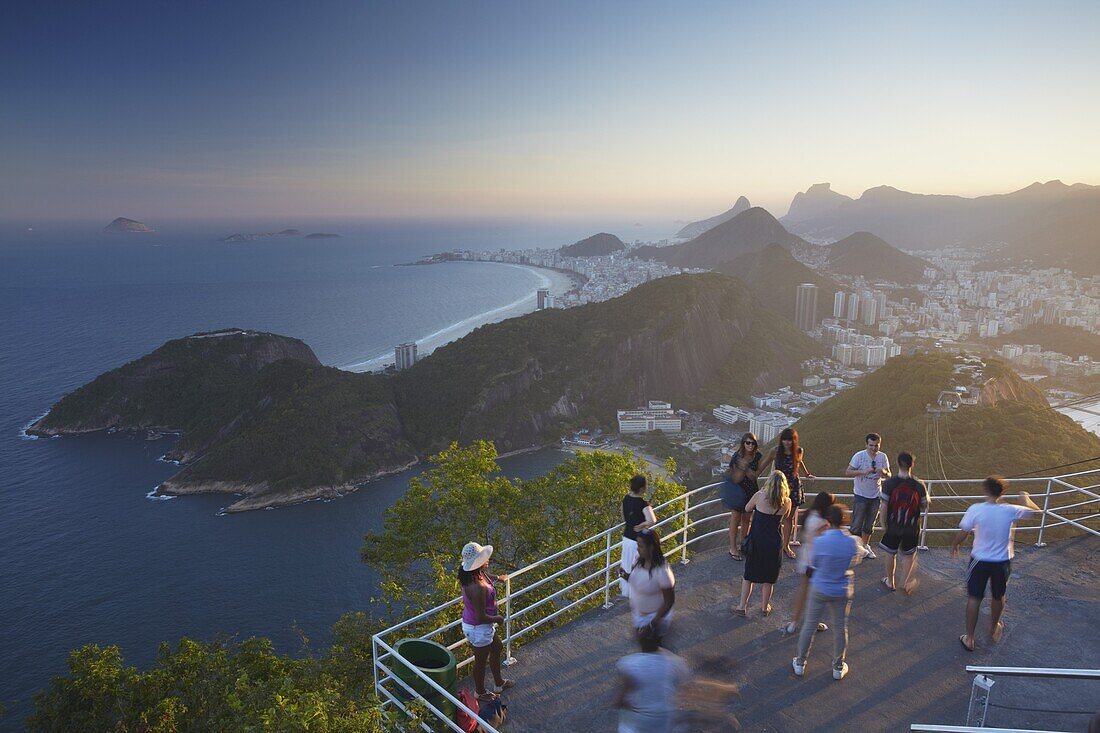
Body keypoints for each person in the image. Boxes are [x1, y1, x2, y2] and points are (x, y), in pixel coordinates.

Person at [950, 476, 1040, 652]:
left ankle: (969, 638)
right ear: (1003, 493)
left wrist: (955, 545)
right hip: (1002, 561)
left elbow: (964, 532)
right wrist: (1025, 497)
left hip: (979, 560)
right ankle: (994, 627)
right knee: (998, 595)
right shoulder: (1010, 510)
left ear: (985, 490)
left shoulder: (976, 509)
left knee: (974, 598)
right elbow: (1034, 511)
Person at [792, 504, 862, 681]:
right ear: (845, 520)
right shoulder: (853, 541)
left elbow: (814, 563)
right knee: (840, 628)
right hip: (842, 588)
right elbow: (855, 560)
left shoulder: (820, 541)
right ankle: (838, 667)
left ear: (828, 521)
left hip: (820, 587)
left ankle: (800, 663)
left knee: (809, 625)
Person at [459, 541, 514, 701]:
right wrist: (498, 618)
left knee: (497, 647)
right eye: (484, 558)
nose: (487, 560)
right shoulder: (478, 589)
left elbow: (484, 576)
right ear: (477, 563)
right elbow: (480, 616)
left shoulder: (470, 574)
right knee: (480, 662)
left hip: (478, 626)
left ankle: (498, 683)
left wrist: (498, 578)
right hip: (479, 627)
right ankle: (480, 692)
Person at [733, 470, 790, 617]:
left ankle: (742, 606)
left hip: (757, 540)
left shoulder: (760, 496)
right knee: (769, 578)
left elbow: (746, 508)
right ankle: (765, 607)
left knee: (749, 575)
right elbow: (787, 516)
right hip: (774, 541)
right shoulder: (787, 502)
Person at [614, 626, 690, 733]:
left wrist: (624, 705)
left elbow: (620, 700)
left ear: (639, 641)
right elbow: (682, 692)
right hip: (668, 717)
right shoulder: (676, 662)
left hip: (642, 720)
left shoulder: (629, 664)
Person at [781, 491, 835, 635]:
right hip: (818, 562)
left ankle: (794, 622)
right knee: (816, 595)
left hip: (806, 559)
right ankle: (814, 622)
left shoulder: (809, 515)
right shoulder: (823, 523)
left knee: (802, 592)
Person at [759, 428, 816, 559]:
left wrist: (806, 474)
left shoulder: (798, 451)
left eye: (790, 440)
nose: (787, 442)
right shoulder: (775, 451)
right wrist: (755, 475)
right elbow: (765, 464)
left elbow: (799, 462)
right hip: (778, 488)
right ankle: (771, 544)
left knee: (788, 518)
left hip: (794, 487)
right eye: (785, 439)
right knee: (773, 517)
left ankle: (786, 545)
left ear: (794, 440)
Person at [877, 451, 929, 593]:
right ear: (912, 464)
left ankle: (890, 581)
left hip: (893, 525)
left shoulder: (889, 483)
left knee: (890, 553)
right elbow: (924, 505)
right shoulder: (919, 485)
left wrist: (883, 524)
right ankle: (905, 582)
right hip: (912, 527)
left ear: (898, 464)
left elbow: (884, 505)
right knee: (909, 555)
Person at [623, 528, 676, 643]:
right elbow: (637, 580)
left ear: (651, 547)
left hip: (655, 620)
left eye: (641, 546)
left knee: (652, 648)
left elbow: (669, 601)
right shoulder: (638, 559)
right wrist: (625, 576)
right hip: (639, 615)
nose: (637, 548)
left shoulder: (662, 571)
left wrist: (652, 624)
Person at [845, 433, 891, 559]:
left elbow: (889, 475)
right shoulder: (859, 456)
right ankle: (854, 548)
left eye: (876, 445)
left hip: (876, 495)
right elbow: (848, 472)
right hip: (861, 494)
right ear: (866, 444)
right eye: (871, 445)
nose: (874, 448)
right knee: (856, 524)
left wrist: (884, 472)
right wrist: (863, 472)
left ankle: (865, 545)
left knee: (869, 525)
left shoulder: (883, 457)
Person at [721, 433, 761, 561]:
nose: (750, 445)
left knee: (747, 520)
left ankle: (744, 545)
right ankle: (733, 548)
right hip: (738, 492)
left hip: (751, 492)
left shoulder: (758, 456)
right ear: (743, 443)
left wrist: (746, 468)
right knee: (735, 519)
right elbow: (736, 478)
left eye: (753, 443)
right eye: (747, 442)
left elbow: (755, 476)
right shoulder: (737, 457)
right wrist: (742, 468)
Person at [621, 474, 658, 597]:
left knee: (627, 566)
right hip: (638, 541)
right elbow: (652, 520)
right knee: (638, 567)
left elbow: (623, 517)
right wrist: (642, 525)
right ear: (642, 488)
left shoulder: (625, 499)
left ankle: (628, 592)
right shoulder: (643, 504)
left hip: (626, 537)